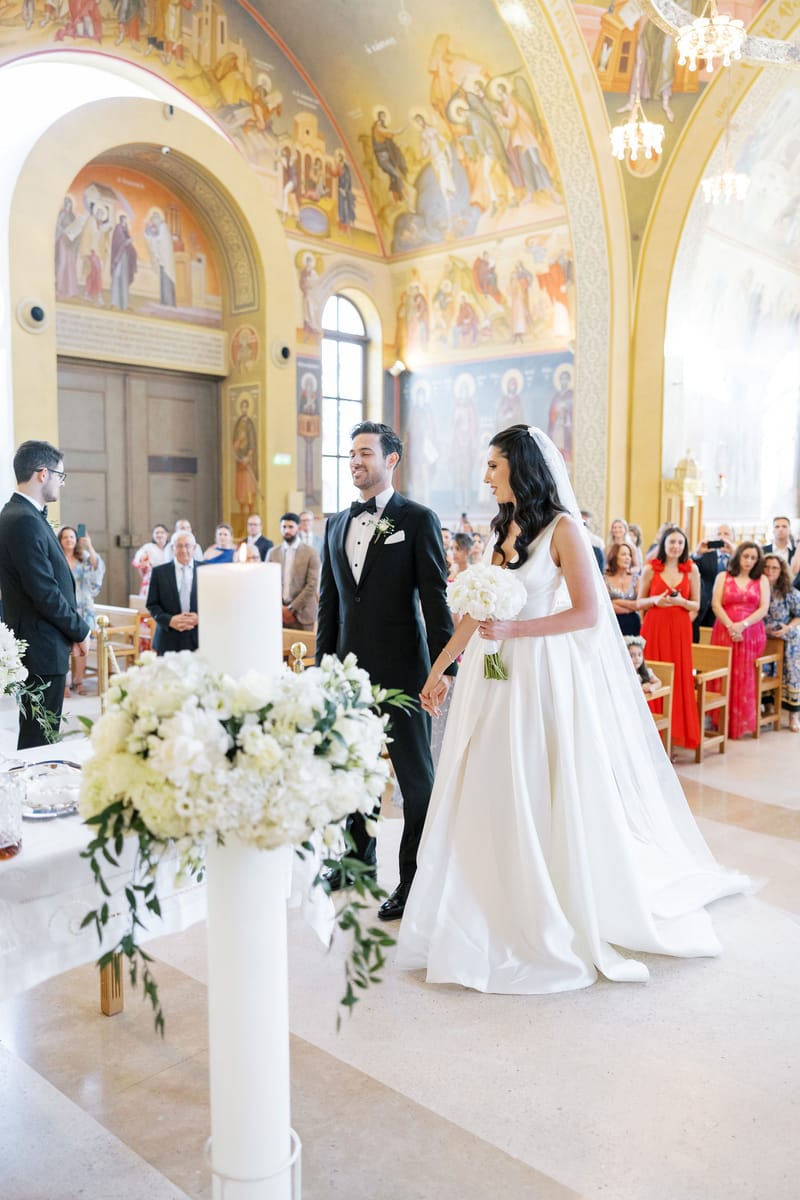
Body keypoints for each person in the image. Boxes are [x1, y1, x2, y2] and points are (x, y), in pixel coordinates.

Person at [396, 426, 748, 994]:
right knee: (485, 779)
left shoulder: (564, 530)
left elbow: (588, 613)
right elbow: (475, 610)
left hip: (537, 675)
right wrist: (439, 671)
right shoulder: (500, 528)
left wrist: (516, 628)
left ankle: (546, 897)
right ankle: (484, 895)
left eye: (493, 466)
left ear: (520, 467)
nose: (485, 476)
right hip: (491, 676)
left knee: (533, 777)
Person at [315, 421, 455, 920]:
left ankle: (414, 881)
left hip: (404, 673)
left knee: (417, 782)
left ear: (391, 460)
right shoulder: (334, 523)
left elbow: (435, 597)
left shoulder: (417, 519)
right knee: (354, 772)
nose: (356, 461)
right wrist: (322, 670)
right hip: (348, 675)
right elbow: (328, 605)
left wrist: (444, 668)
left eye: (366, 453)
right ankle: (356, 861)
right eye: (351, 453)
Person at [0, 440, 90, 747]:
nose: (60, 483)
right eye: (60, 476)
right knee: (40, 740)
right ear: (43, 473)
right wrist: (80, 630)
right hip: (40, 647)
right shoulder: (23, 519)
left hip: (42, 643)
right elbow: (44, 591)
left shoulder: (21, 514)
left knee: (41, 736)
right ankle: (32, 794)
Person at [638, 526, 701, 752]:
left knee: (679, 678)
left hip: (681, 630)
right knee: (652, 675)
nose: (675, 546)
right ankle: (650, 737)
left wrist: (681, 602)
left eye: (680, 543)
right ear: (663, 544)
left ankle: (674, 736)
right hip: (654, 627)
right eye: (672, 542)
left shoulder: (691, 570)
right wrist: (656, 600)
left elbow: (696, 605)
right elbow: (640, 603)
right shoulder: (650, 569)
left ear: (685, 547)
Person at [710, 542, 770, 740]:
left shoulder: (761, 580)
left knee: (745, 676)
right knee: (725, 673)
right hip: (724, 631)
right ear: (738, 556)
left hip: (750, 633)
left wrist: (742, 625)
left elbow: (763, 608)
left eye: (753, 558)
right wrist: (731, 626)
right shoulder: (723, 577)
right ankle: (720, 720)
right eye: (746, 556)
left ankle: (740, 722)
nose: (749, 561)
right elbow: (716, 605)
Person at [57, 525, 105, 695]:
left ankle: (79, 681)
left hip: (84, 607)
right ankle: (64, 683)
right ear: (60, 540)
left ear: (76, 540)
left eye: (72, 537)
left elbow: (96, 566)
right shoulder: (57, 557)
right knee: (63, 645)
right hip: (63, 606)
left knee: (82, 645)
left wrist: (89, 545)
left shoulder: (83, 557)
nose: (69, 540)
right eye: (65, 537)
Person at [763, 554, 800, 732]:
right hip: (765, 638)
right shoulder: (758, 587)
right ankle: (769, 709)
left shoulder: (789, 591)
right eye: (767, 567)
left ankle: (793, 715)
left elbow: (799, 615)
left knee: (791, 675)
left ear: (781, 570)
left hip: (787, 638)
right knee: (766, 673)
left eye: (774, 568)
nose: (770, 571)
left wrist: (787, 628)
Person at [146, 531, 199, 654]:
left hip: (198, 638)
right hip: (168, 637)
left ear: (194, 548)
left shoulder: (206, 570)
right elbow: (152, 605)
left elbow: (214, 604)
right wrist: (170, 620)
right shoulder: (159, 572)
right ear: (172, 548)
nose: (184, 550)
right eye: (179, 546)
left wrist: (200, 618)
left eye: (187, 546)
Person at [267, 512, 320, 631]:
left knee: (305, 649)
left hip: (303, 613)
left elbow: (312, 585)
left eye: (291, 527)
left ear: (298, 528)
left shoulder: (311, 553)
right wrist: (281, 608)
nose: (287, 530)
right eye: (284, 527)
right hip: (278, 613)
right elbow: (268, 583)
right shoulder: (272, 553)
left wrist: (291, 609)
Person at [691, 523, 736, 640]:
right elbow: (690, 568)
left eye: (726, 534)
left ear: (733, 538)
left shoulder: (738, 558)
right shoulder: (705, 555)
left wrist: (734, 554)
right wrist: (697, 553)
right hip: (705, 606)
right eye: (719, 534)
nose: (722, 537)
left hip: (728, 608)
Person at [604, 541, 641, 636]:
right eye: (624, 554)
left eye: (629, 555)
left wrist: (616, 602)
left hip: (633, 623)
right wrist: (630, 609)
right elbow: (606, 606)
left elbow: (639, 604)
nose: (628, 558)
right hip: (611, 623)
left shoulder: (636, 579)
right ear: (615, 557)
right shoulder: (605, 579)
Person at [132, 524, 169, 597]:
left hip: (169, 580)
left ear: (167, 534)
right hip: (152, 579)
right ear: (153, 535)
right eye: (157, 533)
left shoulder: (171, 548)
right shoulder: (148, 547)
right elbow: (139, 563)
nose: (159, 535)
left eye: (162, 532)